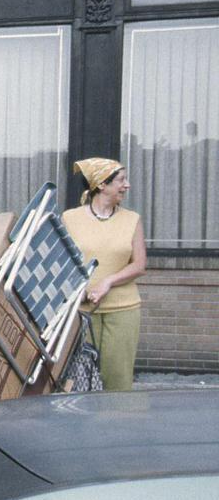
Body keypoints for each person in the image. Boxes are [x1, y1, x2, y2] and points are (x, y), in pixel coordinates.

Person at [61, 158, 147, 391]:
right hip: (81, 311)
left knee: (117, 379)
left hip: (123, 310)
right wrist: (75, 292)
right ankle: (83, 425)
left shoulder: (132, 219)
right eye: (121, 180)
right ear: (101, 185)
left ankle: (118, 425)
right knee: (78, 378)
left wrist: (108, 281)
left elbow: (139, 264)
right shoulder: (70, 218)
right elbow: (62, 263)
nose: (126, 185)